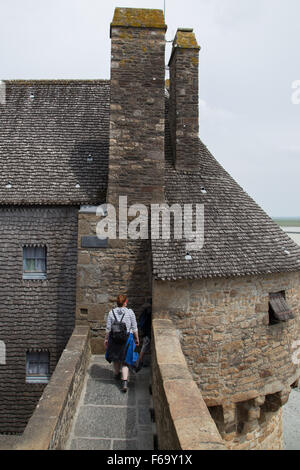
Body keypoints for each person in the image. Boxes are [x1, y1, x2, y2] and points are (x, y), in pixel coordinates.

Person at [104, 294, 139, 393]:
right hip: (127, 339)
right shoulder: (130, 312)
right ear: (125, 302)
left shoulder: (111, 313)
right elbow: (134, 327)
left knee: (116, 358)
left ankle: (116, 374)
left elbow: (108, 328)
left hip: (114, 339)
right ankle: (124, 382)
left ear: (117, 302)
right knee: (125, 361)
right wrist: (137, 338)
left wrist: (106, 339)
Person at [135, 298, 152, 372]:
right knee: (144, 346)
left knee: (145, 346)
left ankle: (141, 361)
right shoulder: (149, 312)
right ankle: (139, 362)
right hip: (147, 332)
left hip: (144, 331)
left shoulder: (145, 311)